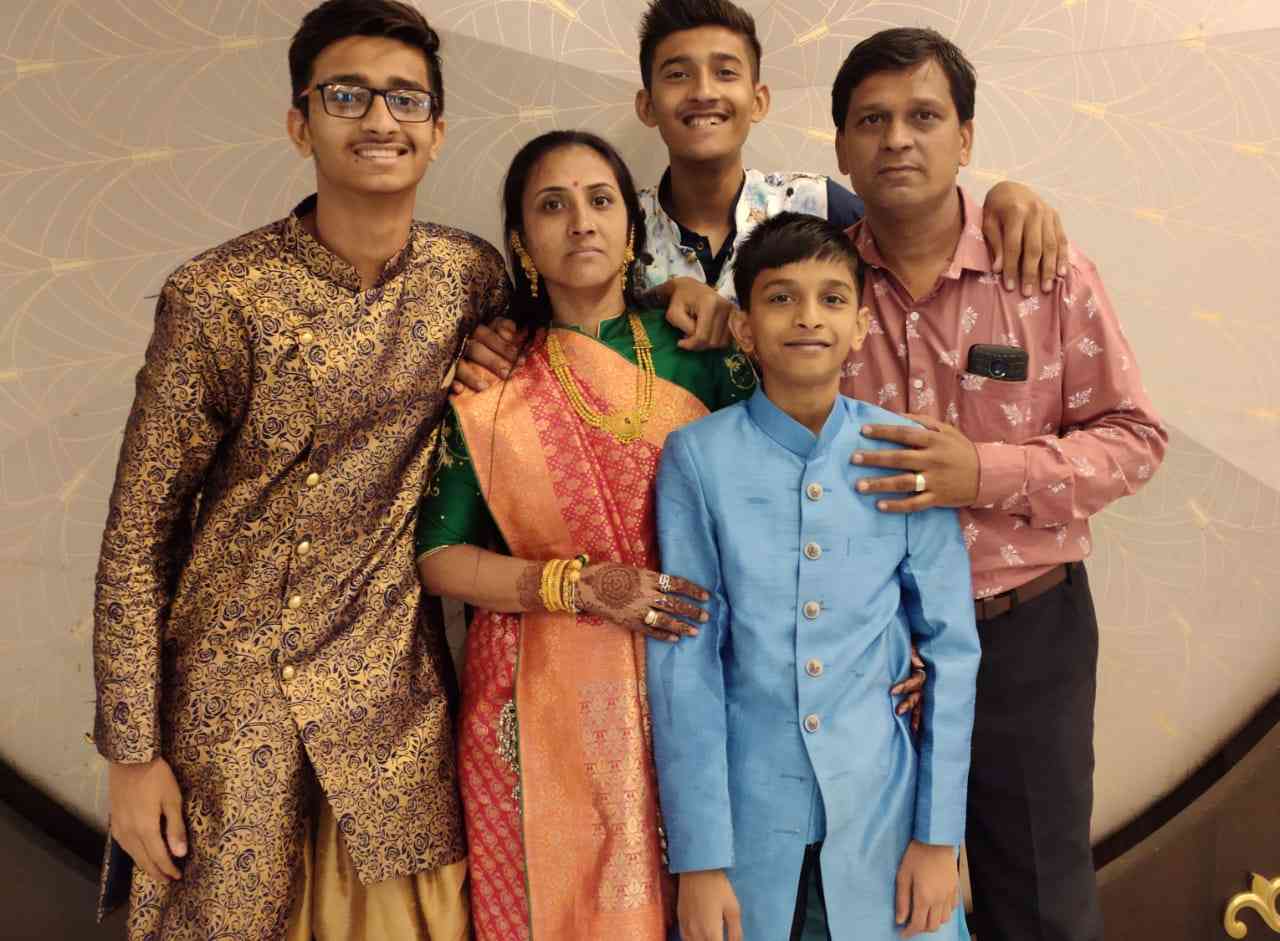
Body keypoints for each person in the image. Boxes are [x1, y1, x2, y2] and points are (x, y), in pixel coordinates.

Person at [91, 2, 509, 938]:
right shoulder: (218, 295)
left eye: (406, 99)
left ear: (438, 131)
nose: (380, 119)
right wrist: (131, 752)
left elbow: (568, 344)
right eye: (347, 96)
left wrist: (692, 300)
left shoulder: (467, 278)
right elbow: (140, 532)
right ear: (299, 122)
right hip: (231, 700)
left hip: (391, 694)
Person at [832, 28, 1168, 941]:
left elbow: (1135, 439)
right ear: (842, 150)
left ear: (967, 139)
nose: (898, 139)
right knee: (875, 907)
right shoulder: (819, 289)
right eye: (872, 120)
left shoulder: (1044, 273)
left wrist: (983, 471)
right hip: (871, 651)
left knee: (1040, 904)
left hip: (1023, 631)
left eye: (923, 116)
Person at [414, 129, 753, 941]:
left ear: (632, 227)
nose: (581, 222)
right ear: (521, 241)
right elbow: (438, 556)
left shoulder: (701, 354)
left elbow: (769, 509)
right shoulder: (493, 379)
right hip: (533, 704)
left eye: (601, 200)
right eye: (552, 205)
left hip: (687, 678)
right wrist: (573, 584)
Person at [454, 0, 1069, 396]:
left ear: (759, 99)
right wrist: (501, 341)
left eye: (725, 72)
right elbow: (556, 318)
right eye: (677, 74)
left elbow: (913, 231)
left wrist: (1005, 197)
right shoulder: (614, 223)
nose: (703, 92)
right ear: (647, 104)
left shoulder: (819, 205)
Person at [649, 211, 981, 941]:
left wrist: (939, 837)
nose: (808, 317)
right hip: (748, 827)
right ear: (744, 328)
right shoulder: (697, 458)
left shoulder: (903, 450)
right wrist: (700, 860)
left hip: (886, 817)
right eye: (781, 298)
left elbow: (954, 649)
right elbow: (685, 663)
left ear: (859, 326)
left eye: (832, 299)